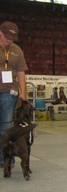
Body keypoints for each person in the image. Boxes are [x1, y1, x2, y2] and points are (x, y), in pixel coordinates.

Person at [0, 21, 28, 168]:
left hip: (9, 93)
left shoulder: (17, 50)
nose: (10, 39)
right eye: (7, 36)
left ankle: (5, 158)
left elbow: (21, 72)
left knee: (6, 127)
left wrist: (23, 93)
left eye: (12, 36)